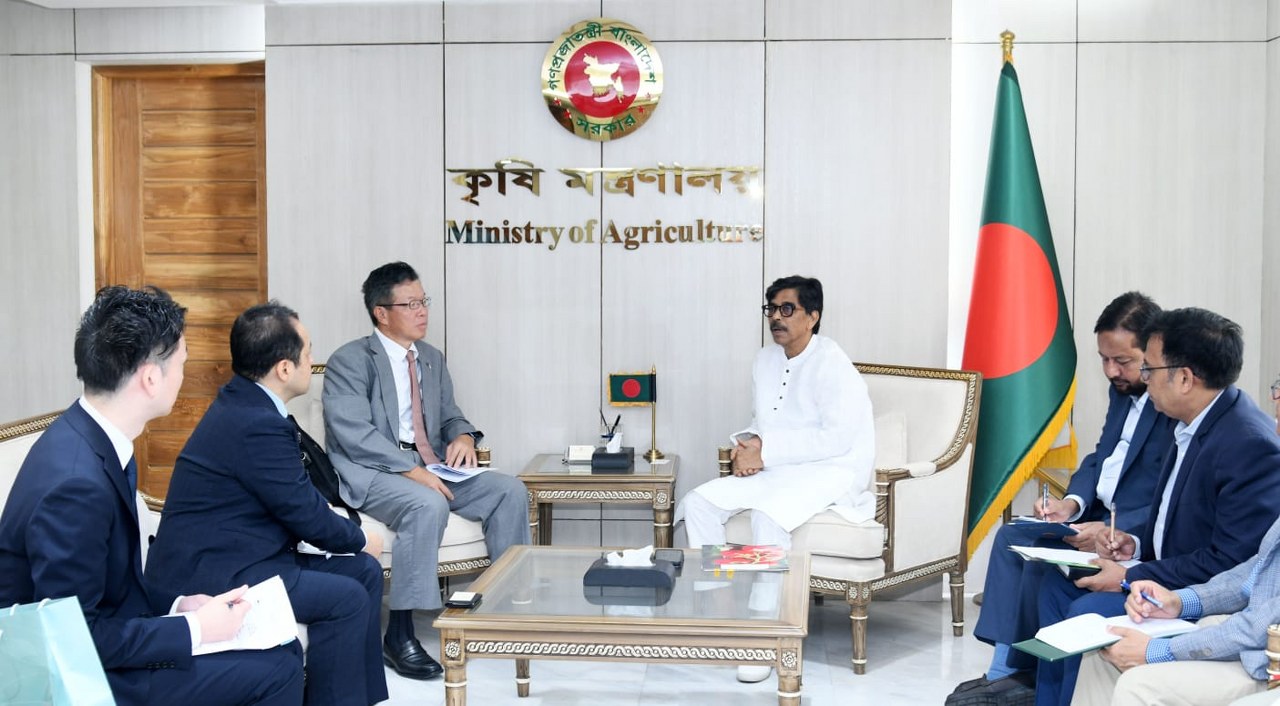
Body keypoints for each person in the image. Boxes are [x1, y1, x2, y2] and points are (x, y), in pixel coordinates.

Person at [0, 286, 303, 706]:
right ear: (150, 378)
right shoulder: (76, 485)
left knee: (281, 649)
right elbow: (75, 638)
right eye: (181, 363)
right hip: (67, 675)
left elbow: (111, 589)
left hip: (97, 641)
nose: (183, 375)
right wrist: (196, 629)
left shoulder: (92, 436)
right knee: (277, 668)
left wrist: (179, 605)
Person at [1032, 307, 1280, 705]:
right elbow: (1177, 518)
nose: (1143, 379)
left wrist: (1131, 577)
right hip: (1168, 581)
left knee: (1088, 615)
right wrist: (1133, 543)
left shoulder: (1248, 444)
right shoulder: (1190, 420)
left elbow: (1231, 561)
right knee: (1056, 585)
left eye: (1149, 368)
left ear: (1184, 378)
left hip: (1198, 592)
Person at [145, 302, 388, 706]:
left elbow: (294, 498)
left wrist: (353, 541)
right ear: (285, 368)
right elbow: (304, 514)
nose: (312, 360)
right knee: (346, 596)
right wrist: (361, 538)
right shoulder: (257, 423)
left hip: (244, 551)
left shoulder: (244, 402)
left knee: (364, 572)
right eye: (308, 351)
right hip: (216, 570)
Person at [947, 292, 1176, 706]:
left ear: (1153, 353)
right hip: (1094, 514)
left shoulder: (1171, 403)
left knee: (1042, 564)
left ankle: (1019, 676)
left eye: (1122, 361)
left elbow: (1171, 499)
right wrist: (1070, 503)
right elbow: (1101, 457)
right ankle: (1005, 673)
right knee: (1013, 537)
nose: (1111, 371)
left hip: (1126, 530)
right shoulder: (1121, 391)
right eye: (1104, 359)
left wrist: (1116, 529)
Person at [324, 261, 530, 680]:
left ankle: (500, 610)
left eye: (424, 301)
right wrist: (412, 471)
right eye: (411, 304)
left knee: (509, 490)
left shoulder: (431, 358)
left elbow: (450, 414)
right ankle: (399, 635)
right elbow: (354, 435)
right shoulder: (350, 360)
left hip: (430, 464)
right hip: (372, 470)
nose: (422, 312)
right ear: (381, 313)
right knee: (427, 504)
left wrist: (463, 437)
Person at [675, 275, 875, 682]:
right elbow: (764, 422)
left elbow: (836, 439)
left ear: (812, 316)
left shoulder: (833, 364)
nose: (776, 318)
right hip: (779, 469)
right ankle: (723, 615)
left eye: (787, 309)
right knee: (698, 504)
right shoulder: (764, 360)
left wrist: (765, 452)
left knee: (768, 516)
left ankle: (765, 634)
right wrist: (747, 446)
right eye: (771, 309)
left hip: (830, 470)